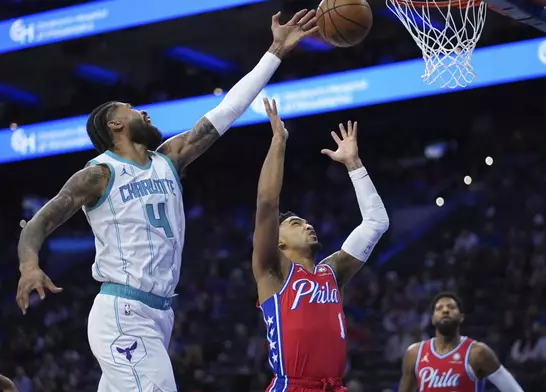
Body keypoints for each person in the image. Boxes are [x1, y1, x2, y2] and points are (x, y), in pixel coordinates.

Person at [14, 10, 319, 392]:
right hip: (123, 311)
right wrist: (29, 266)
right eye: (131, 109)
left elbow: (225, 112)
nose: (142, 111)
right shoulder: (99, 173)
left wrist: (274, 51)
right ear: (115, 126)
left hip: (159, 314)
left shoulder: (168, 159)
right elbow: (41, 221)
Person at [252, 99, 389, 391]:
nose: (307, 225)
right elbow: (266, 204)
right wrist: (279, 141)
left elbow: (376, 223)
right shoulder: (273, 273)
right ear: (279, 242)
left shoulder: (332, 272)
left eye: (306, 221)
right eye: (295, 224)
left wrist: (354, 164)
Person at [398, 292, 524, 392]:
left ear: (461, 317)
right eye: (439, 308)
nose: (445, 311)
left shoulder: (478, 353)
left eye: (451, 307)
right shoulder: (414, 354)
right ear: (432, 319)